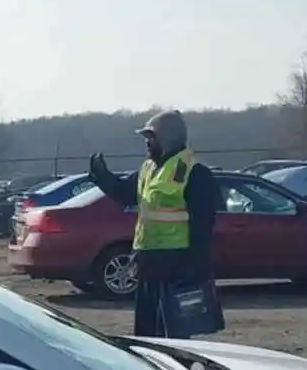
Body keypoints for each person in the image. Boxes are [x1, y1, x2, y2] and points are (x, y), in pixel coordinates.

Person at [87, 110, 223, 339]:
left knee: (174, 338)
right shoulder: (148, 169)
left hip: (176, 267)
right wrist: (102, 177)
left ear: (167, 139)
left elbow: (203, 226)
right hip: (149, 264)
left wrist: (192, 269)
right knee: (147, 335)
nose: (147, 144)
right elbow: (126, 194)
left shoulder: (194, 172)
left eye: (151, 138)